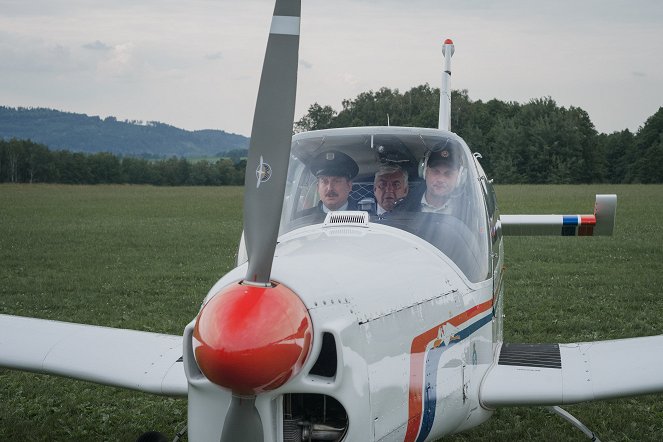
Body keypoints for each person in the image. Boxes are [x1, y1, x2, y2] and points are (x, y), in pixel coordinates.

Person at [394, 141, 463, 214]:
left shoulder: (469, 212)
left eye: (448, 174)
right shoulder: (402, 209)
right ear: (424, 172)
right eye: (435, 171)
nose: (441, 179)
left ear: (459, 178)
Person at [300, 150, 359, 215]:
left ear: (349, 186)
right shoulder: (302, 220)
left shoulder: (368, 219)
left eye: (336, 181)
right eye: (324, 181)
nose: (330, 188)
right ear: (318, 187)